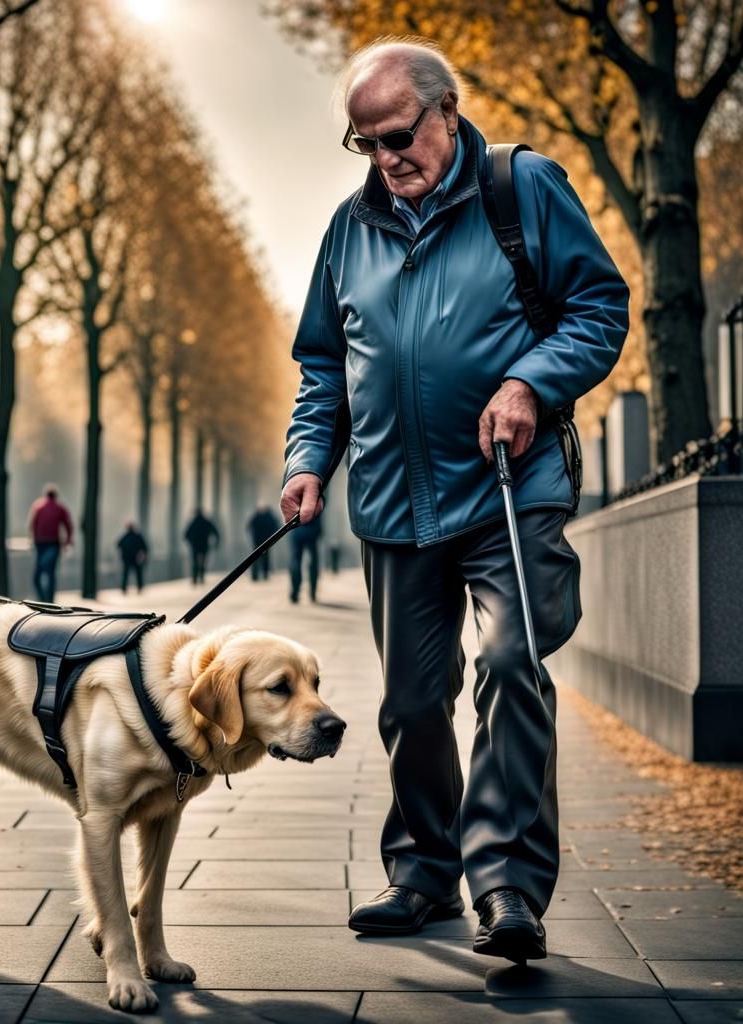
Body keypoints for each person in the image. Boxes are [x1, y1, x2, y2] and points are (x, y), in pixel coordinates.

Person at [280, 40, 628, 963]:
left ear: (447, 110)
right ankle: (424, 872)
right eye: (367, 144)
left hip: (509, 491)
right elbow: (324, 363)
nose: (388, 158)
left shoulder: (522, 189)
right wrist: (309, 458)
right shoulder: (349, 231)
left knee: (512, 666)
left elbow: (599, 307)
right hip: (394, 501)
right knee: (408, 701)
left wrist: (530, 383)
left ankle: (506, 884)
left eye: (399, 135)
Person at [28, 484, 74, 602]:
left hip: (40, 543)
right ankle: (49, 600)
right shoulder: (60, 508)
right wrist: (68, 540)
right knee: (50, 573)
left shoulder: (38, 506)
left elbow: (32, 524)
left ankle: (42, 598)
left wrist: (31, 539)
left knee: (38, 575)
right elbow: (68, 525)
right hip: (53, 543)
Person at [288, 515, 322, 604]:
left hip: (297, 529)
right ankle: (312, 592)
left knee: (296, 560)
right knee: (313, 560)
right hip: (312, 529)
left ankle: (295, 592)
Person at [183, 509, 219, 585]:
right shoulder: (206, 522)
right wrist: (216, 543)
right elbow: (215, 532)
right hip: (204, 545)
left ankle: (194, 579)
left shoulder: (193, 522)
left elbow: (186, 535)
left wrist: (191, 542)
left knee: (195, 562)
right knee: (203, 561)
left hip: (195, 546)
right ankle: (201, 578)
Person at [246, 504, 280, 581]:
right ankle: (256, 575)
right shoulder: (258, 517)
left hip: (265, 541)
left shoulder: (266, 517)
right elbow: (249, 527)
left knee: (263, 559)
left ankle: (264, 574)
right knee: (256, 559)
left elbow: (275, 527)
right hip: (259, 541)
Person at [117, 521, 149, 593]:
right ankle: (137, 587)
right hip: (132, 559)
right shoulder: (136, 536)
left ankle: (125, 588)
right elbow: (145, 548)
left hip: (130, 559)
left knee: (128, 574)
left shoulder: (126, 537)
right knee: (136, 574)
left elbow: (119, 545)